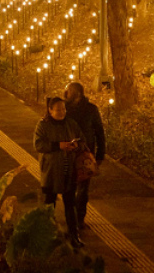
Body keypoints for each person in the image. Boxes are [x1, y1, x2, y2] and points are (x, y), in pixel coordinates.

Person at [32, 96, 87, 245]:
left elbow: (82, 140)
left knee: (70, 204)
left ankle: (74, 235)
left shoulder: (71, 124)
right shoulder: (43, 125)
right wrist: (58, 146)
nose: (62, 112)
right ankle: (46, 235)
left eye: (63, 109)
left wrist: (77, 146)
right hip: (51, 171)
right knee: (49, 204)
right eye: (58, 109)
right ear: (50, 110)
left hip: (69, 171)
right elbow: (38, 145)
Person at [62, 81, 105, 226]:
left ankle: (76, 218)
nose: (65, 93)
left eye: (67, 91)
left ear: (76, 93)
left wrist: (100, 154)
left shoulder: (86, 110)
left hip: (81, 154)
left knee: (79, 187)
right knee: (77, 187)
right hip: (77, 154)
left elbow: (99, 132)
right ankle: (77, 218)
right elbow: (100, 133)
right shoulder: (66, 109)